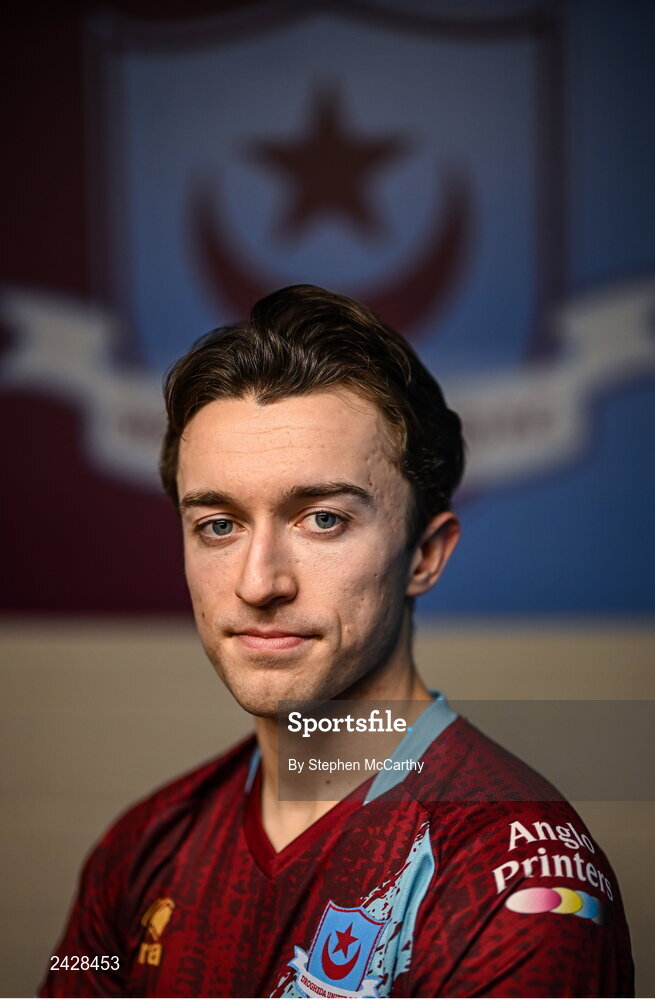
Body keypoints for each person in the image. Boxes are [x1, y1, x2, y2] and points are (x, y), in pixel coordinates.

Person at [40, 285, 634, 998]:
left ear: (424, 554)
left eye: (321, 519)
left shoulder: (517, 882)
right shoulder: (139, 850)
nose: (259, 583)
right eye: (218, 525)